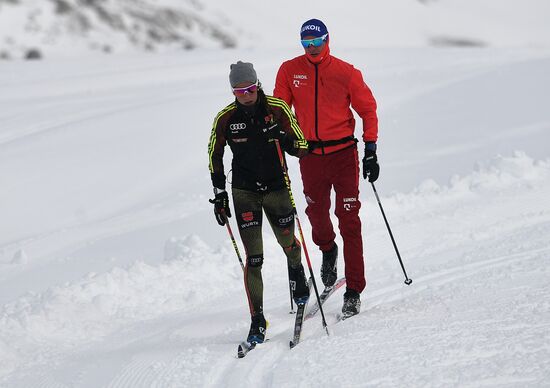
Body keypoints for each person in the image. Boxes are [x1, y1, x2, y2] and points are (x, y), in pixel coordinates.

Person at [274, 19, 379, 319]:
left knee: (349, 219)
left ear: (327, 40)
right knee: (316, 214)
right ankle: (328, 249)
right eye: (306, 44)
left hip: (344, 154)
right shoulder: (290, 70)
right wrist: (281, 138)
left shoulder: (346, 72)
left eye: (316, 42)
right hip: (310, 155)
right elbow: (281, 109)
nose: (311, 49)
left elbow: (368, 110)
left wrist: (370, 149)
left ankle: (354, 290)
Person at [208, 61, 310, 343]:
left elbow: (302, 147)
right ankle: (257, 319)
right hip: (244, 192)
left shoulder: (276, 108)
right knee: (254, 259)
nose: (246, 95)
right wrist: (219, 194)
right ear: (233, 91)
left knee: (288, 242)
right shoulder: (225, 118)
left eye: (250, 89)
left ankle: (297, 274)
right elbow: (214, 154)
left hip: (277, 187)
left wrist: (281, 135)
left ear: (258, 85)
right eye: (239, 91)